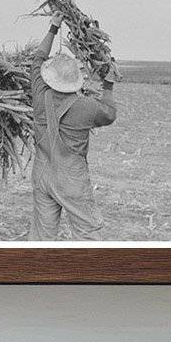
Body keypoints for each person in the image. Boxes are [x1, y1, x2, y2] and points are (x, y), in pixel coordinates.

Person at [27, 13, 119, 241]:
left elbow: (38, 59)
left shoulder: (40, 94)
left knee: (41, 237)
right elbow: (109, 114)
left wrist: (53, 27)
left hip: (41, 173)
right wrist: (108, 84)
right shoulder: (86, 106)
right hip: (71, 178)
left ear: (50, 78)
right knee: (87, 234)